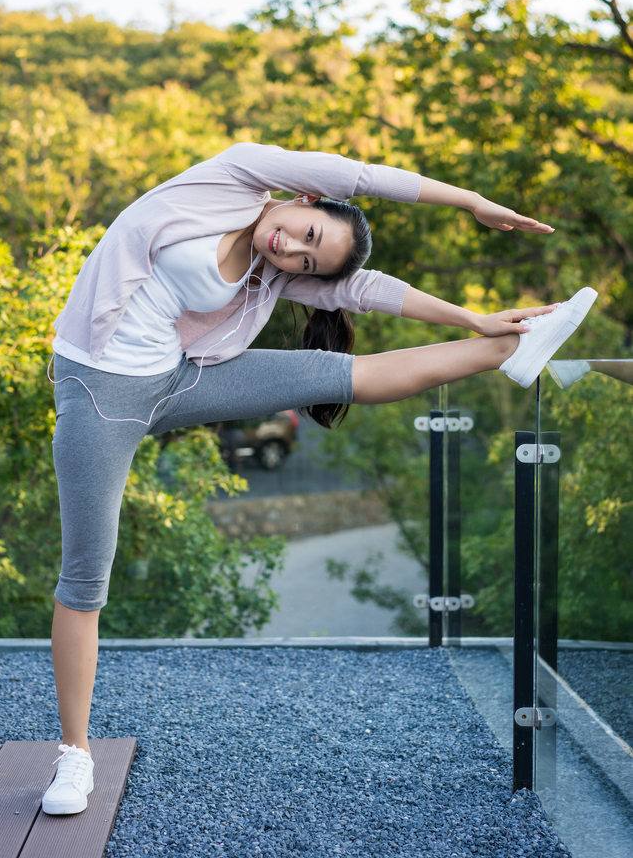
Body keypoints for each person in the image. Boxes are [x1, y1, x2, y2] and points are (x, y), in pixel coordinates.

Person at [42, 142, 596, 814]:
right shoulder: (235, 177)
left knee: (348, 377)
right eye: (308, 235)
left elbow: (365, 289)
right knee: (85, 580)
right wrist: (470, 201)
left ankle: (508, 347)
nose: (292, 250)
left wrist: (471, 317)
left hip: (177, 380)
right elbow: (362, 177)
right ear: (306, 200)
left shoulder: (270, 273)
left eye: (306, 260)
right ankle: (75, 756)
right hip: (99, 392)